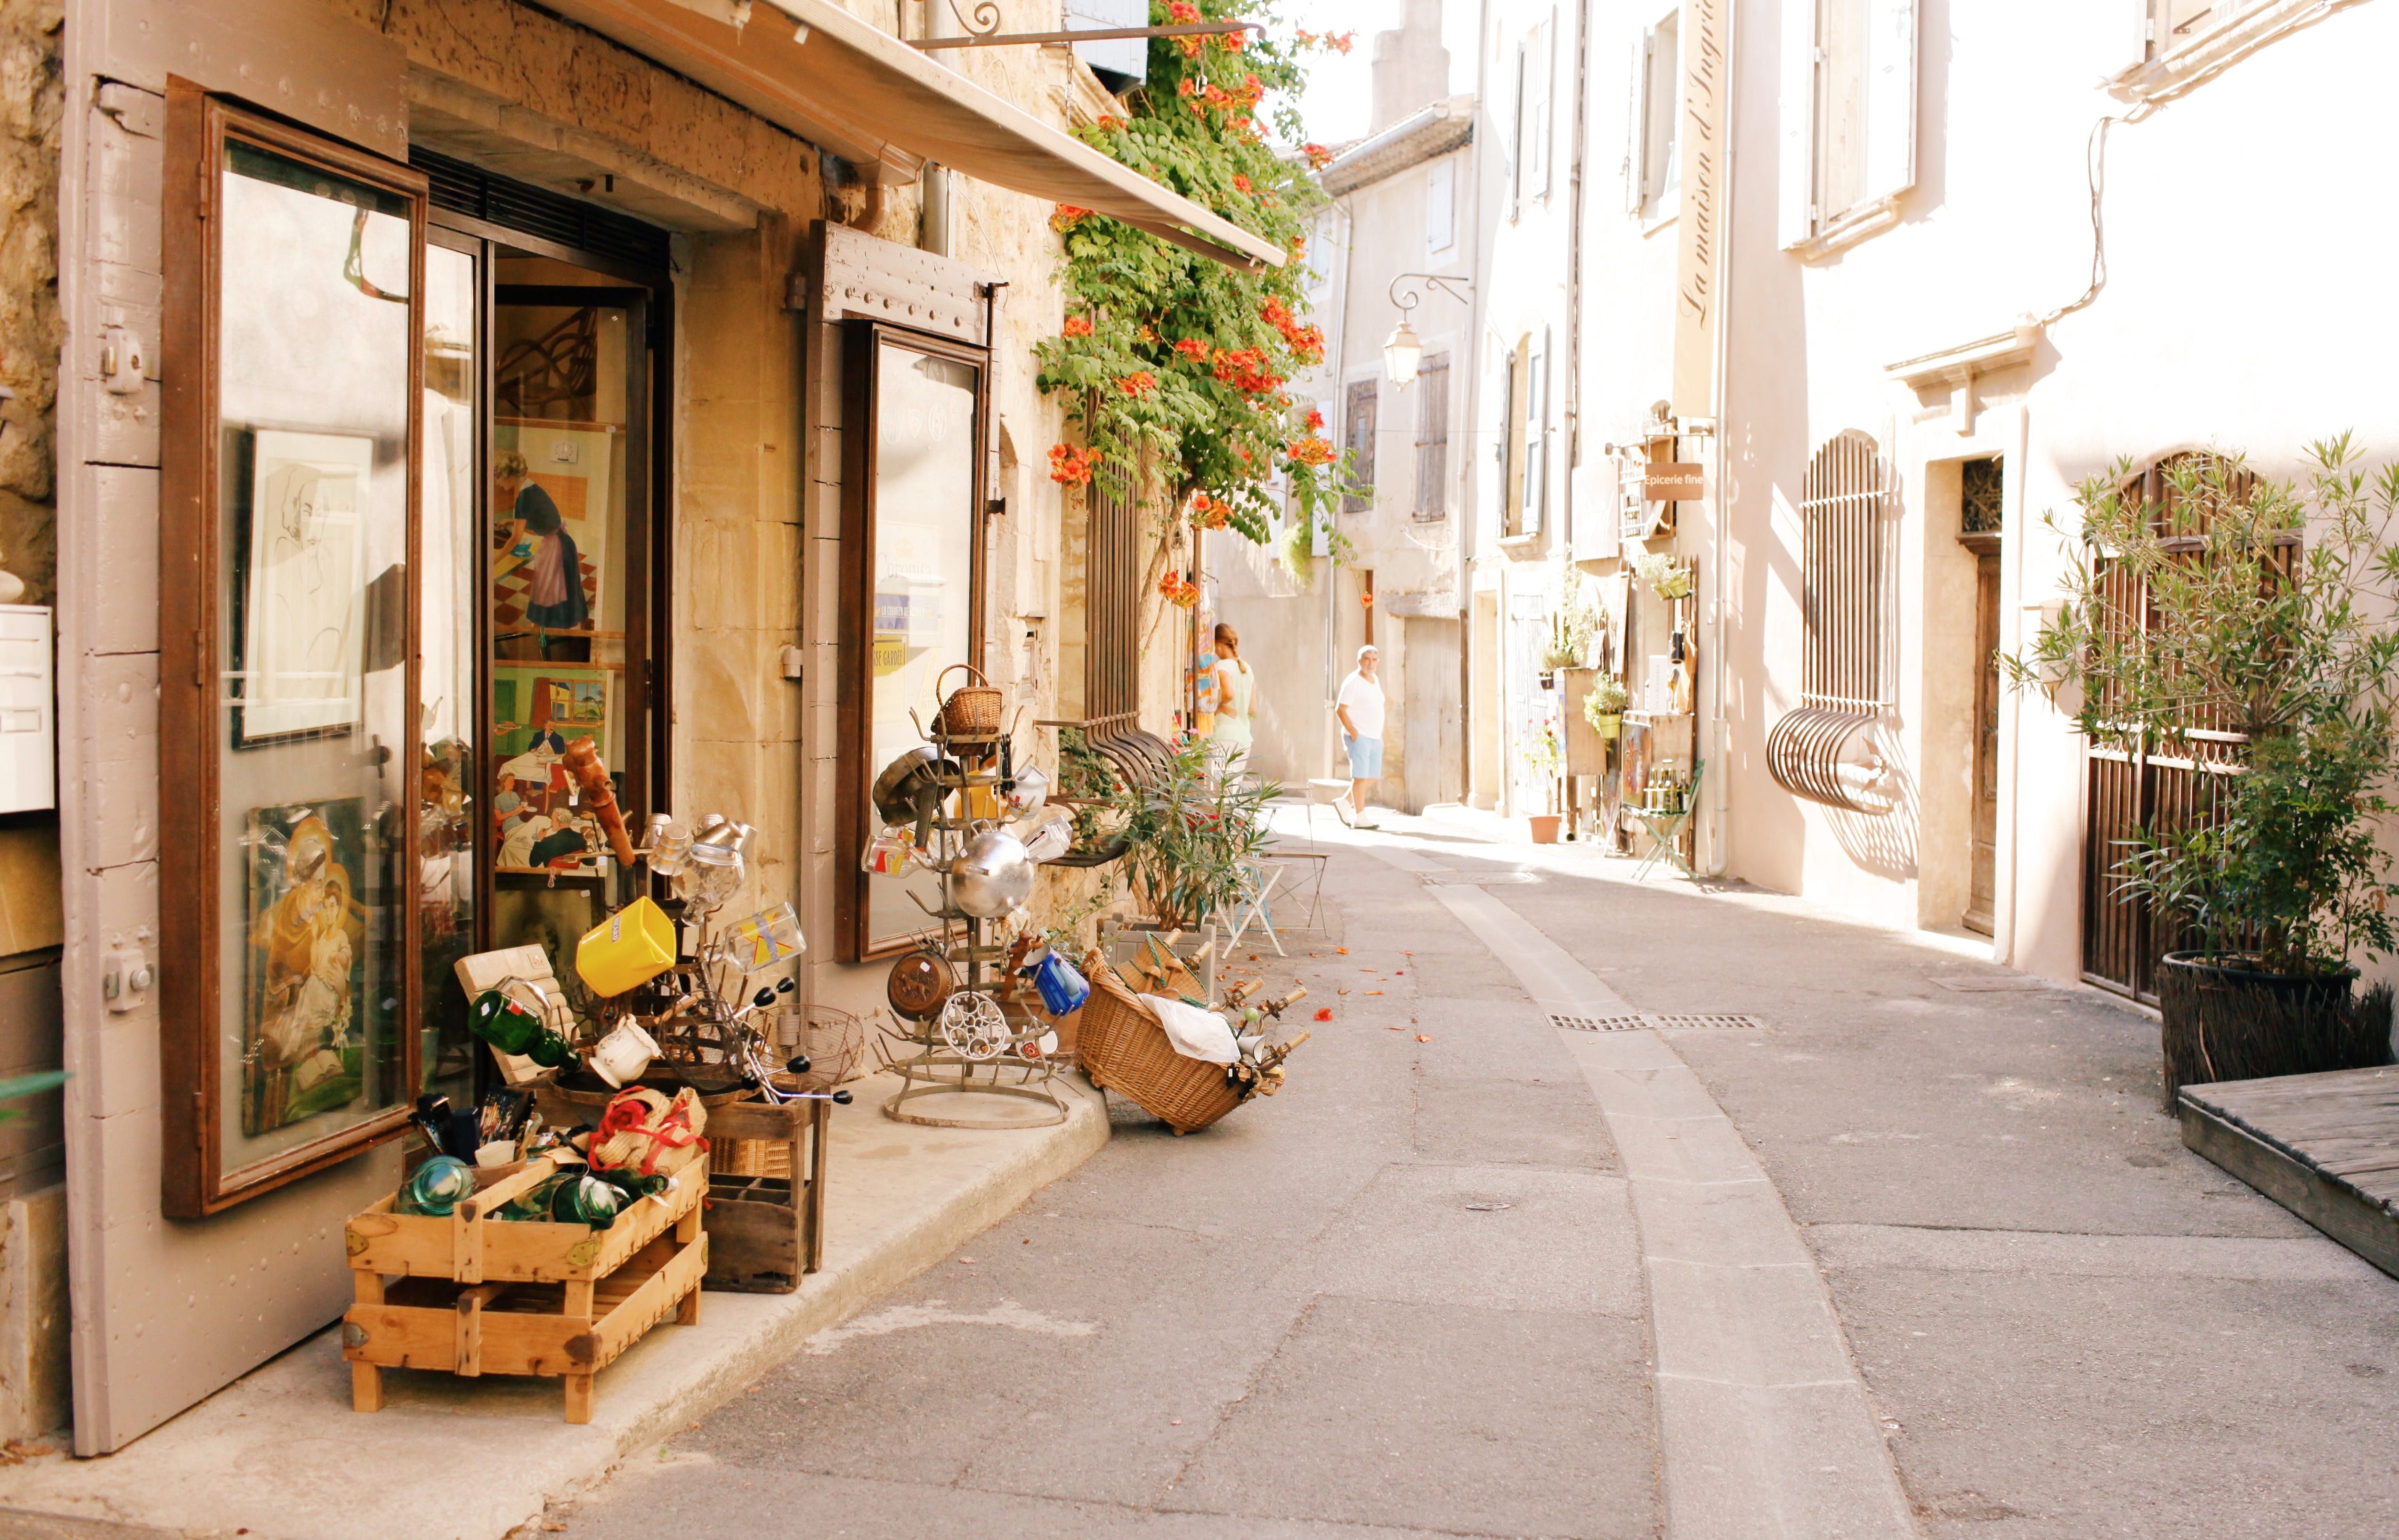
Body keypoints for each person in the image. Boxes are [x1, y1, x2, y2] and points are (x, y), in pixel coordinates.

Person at [495, 451, 590, 630]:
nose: (498, 483)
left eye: (499, 478)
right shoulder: (533, 488)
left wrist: (496, 560)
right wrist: (511, 522)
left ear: (508, 475)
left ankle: (540, 639)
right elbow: (541, 526)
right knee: (562, 594)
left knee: (548, 595)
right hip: (564, 544)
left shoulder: (524, 497)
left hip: (556, 550)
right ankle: (549, 638)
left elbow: (516, 538)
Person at [1334, 643, 1386, 828]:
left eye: (1374, 660)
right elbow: (1341, 710)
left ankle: (1345, 802)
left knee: (1372, 775)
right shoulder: (1353, 682)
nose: (1371, 664)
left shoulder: (1374, 679)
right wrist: (1354, 733)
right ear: (1359, 661)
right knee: (1360, 777)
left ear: (1378, 662)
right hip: (1360, 736)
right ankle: (1360, 816)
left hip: (1374, 736)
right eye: (1367, 659)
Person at [1209, 622, 1256, 775]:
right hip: (1245, 738)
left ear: (1219, 645)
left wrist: (1219, 706)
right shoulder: (1247, 669)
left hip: (1225, 736)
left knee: (1220, 789)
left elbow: (1229, 694)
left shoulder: (1222, 667)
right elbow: (1252, 709)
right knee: (1233, 790)